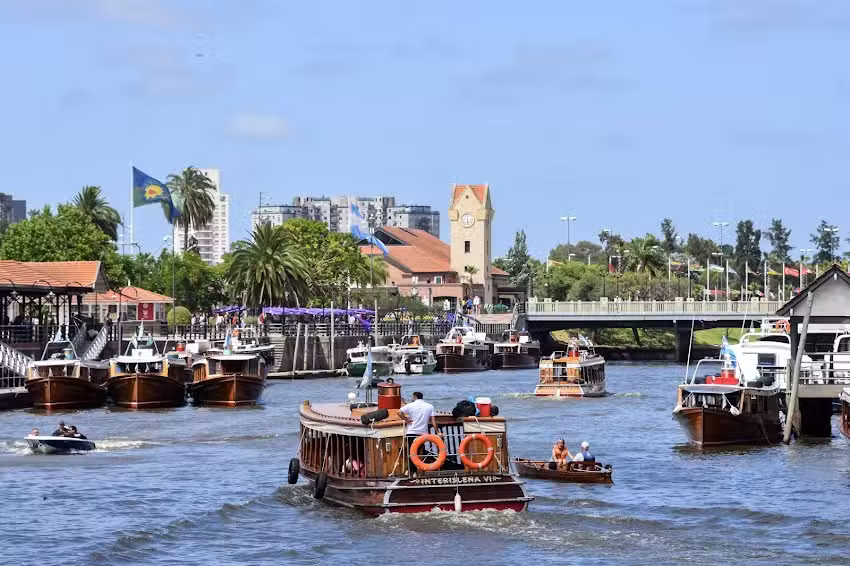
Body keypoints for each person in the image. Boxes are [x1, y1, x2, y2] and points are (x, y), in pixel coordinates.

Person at [398, 392, 440, 473]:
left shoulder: (410, 405)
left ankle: (412, 472)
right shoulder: (429, 406)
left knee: (412, 452)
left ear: (414, 397)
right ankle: (420, 470)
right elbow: (434, 421)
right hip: (422, 434)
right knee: (419, 452)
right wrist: (437, 432)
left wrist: (406, 420)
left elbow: (399, 412)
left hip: (411, 432)